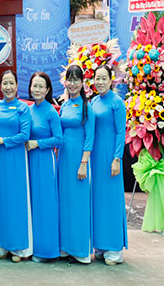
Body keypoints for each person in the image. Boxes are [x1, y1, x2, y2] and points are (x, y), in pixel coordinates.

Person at [0, 69, 31, 262]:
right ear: (0, 86)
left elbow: (24, 135)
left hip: (16, 158)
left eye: (11, 83)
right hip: (0, 160)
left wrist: (3, 140)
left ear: (17, 85)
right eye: (4, 83)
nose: (8, 87)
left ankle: (18, 248)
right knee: (2, 200)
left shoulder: (23, 108)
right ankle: (3, 245)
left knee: (16, 200)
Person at [90, 64, 128, 265]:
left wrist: (116, 158)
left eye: (104, 78)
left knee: (111, 200)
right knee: (97, 200)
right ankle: (100, 245)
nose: (100, 82)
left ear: (111, 80)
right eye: (97, 78)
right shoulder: (94, 101)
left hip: (110, 157)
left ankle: (114, 248)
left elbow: (121, 132)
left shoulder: (117, 103)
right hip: (95, 157)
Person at [58, 64, 95, 264]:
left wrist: (83, 163)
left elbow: (90, 137)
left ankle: (80, 249)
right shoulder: (64, 105)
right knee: (65, 201)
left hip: (78, 160)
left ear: (82, 83)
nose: (72, 83)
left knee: (79, 203)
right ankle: (66, 247)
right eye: (69, 79)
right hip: (63, 159)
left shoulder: (87, 107)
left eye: (76, 80)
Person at [26, 72, 62, 262]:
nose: (37, 89)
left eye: (41, 86)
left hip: (45, 162)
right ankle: (33, 246)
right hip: (29, 161)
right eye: (35, 85)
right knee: (32, 202)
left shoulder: (51, 111)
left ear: (47, 89)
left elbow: (59, 139)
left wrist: (38, 143)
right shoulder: (28, 110)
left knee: (45, 203)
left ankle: (47, 250)